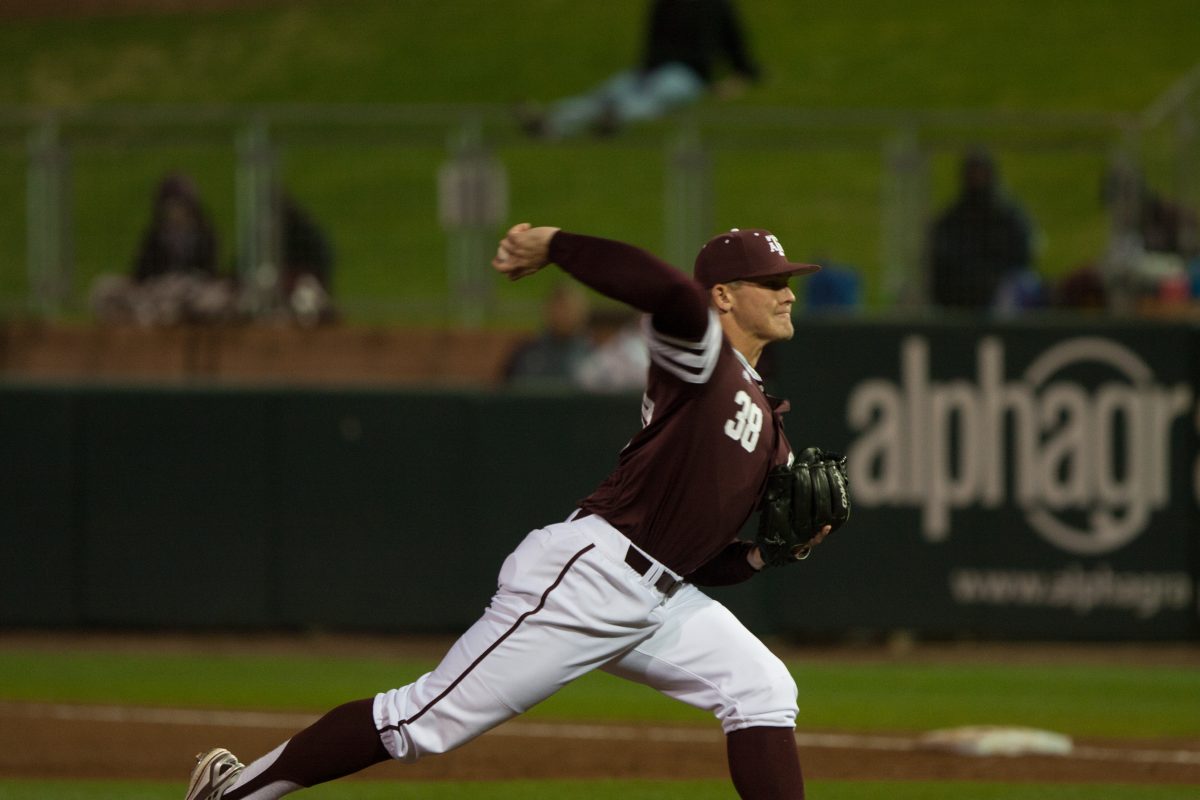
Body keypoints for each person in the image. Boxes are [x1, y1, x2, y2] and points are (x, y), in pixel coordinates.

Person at [184, 224, 832, 800]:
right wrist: (555, 246)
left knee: (761, 689)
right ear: (723, 294)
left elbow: (697, 554)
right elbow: (667, 292)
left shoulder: (769, 425)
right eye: (771, 281)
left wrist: (763, 554)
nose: (788, 292)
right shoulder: (701, 363)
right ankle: (234, 792)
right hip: (589, 580)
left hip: (662, 595)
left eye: (787, 281)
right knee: (418, 724)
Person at [517, 0, 761, 140]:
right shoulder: (665, 3)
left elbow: (737, 47)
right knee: (607, 93)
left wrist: (737, 79)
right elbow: (651, 41)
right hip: (650, 70)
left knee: (653, 97)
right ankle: (551, 122)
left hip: (688, 75)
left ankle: (616, 117)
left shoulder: (718, 6)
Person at [90, 172, 234, 325]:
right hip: (157, 291)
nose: (175, 211)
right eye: (170, 205)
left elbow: (209, 272)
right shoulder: (156, 235)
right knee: (107, 289)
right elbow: (140, 272)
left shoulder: (205, 235)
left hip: (192, 292)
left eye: (179, 205)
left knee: (211, 299)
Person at [927, 147, 1035, 310]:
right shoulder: (951, 218)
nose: (977, 179)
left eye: (981, 173)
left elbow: (1022, 255)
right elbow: (941, 257)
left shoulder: (1008, 216)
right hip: (960, 287)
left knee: (1023, 283)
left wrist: (991, 275)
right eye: (973, 173)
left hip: (1000, 285)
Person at [502, 282, 594, 386]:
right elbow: (506, 391)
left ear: (582, 313)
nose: (563, 315)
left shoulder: (594, 357)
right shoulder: (527, 353)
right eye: (558, 307)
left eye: (568, 308)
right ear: (547, 310)